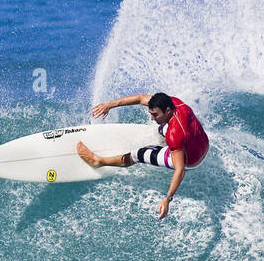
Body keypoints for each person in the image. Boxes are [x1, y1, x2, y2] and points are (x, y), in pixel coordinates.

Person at [75, 92, 209, 219]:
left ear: (167, 110)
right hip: (202, 143)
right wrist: (109, 105)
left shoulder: (175, 134)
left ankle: (98, 161)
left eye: (155, 115)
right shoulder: (175, 103)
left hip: (192, 160)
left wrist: (167, 199)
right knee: (161, 127)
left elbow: (179, 170)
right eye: (151, 113)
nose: (151, 118)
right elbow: (139, 98)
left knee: (138, 154)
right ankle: (165, 140)